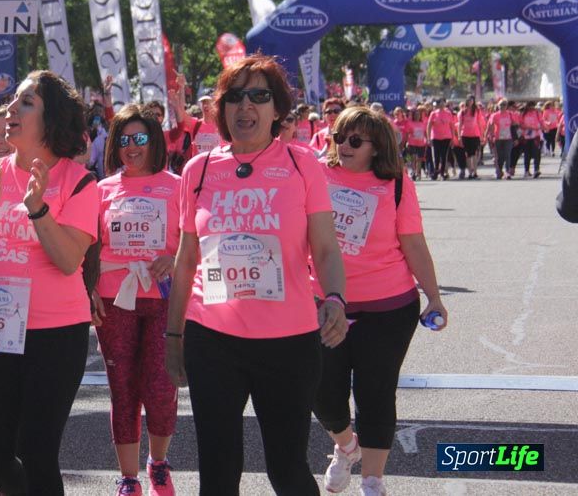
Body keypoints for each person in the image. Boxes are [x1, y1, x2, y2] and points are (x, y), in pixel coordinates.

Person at [164, 55, 348, 495]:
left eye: (259, 96)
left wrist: (336, 298)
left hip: (288, 341)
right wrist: (173, 338)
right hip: (212, 342)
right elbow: (186, 260)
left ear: (276, 108)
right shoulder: (199, 169)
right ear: (221, 109)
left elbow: (325, 248)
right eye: (234, 97)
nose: (245, 107)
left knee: (287, 470)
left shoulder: (304, 164)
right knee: (218, 471)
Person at [0, 70, 98, 496]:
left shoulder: (77, 180)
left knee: (36, 450)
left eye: (26, 102)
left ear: (51, 120)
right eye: (13, 101)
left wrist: (39, 210)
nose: (12, 110)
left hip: (56, 333)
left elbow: (70, 260)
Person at [314, 106, 447, 496]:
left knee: (375, 393)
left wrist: (434, 296)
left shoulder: (397, 184)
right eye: (339, 137)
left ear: (376, 147)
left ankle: (372, 481)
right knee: (322, 392)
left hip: (388, 307)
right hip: (323, 304)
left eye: (355, 140)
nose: (344, 146)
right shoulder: (316, 176)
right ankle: (345, 446)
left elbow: (413, 243)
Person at [93, 104, 180, 496]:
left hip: (163, 299)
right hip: (115, 299)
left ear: (155, 142)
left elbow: (198, 242)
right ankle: (128, 478)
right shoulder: (102, 189)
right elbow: (90, 248)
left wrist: (173, 259)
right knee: (122, 388)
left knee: (161, 387)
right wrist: (90, 289)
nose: (132, 147)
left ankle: (158, 463)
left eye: (140, 139)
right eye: (124, 140)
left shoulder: (177, 185)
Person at [486, 100, 515, 180]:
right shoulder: (495, 115)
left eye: (504, 105)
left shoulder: (510, 114)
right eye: (501, 105)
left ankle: (507, 172)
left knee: (508, 155)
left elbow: (514, 124)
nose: (503, 106)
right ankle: (499, 171)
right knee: (499, 156)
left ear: (507, 106)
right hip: (498, 138)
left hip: (508, 138)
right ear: (498, 106)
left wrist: (516, 137)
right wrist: (491, 136)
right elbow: (491, 125)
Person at [426, 98, 454, 180]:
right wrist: (428, 138)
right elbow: (429, 126)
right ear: (438, 104)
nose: (442, 105)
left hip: (446, 137)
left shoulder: (448, 113)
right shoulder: (433, 113)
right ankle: (435, 171)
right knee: (436, 156)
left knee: (444, 156)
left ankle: (442, 172)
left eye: (443, 103)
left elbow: (451, 126)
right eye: (440, 103)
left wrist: (452, 138)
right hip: (435, 137)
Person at [457, 96, 484, 179]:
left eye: (471, 100)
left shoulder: (477, 111)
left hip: (475, 135)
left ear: (473, 101)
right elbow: (460, 124)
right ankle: (470, 172)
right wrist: (459, 136)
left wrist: (482, 135)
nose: (470, 102)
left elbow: (480, 123)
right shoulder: (463, 112)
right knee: (468, 154)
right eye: (468, 100)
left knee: (474, 154)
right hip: (465, 134)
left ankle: (475, 172)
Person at [519, 101, 543, 178]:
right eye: (530, 106)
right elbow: (520, 125)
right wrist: (529, 127)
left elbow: (541, 121)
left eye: (533, 106)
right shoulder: (523, 114)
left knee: (536, 153)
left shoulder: (536, 113)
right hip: (526, 136)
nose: (532, 108)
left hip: (536, 136)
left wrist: (545, 126)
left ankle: (536, 169)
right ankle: (526, 170)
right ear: (527, 106)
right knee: (527, 154)